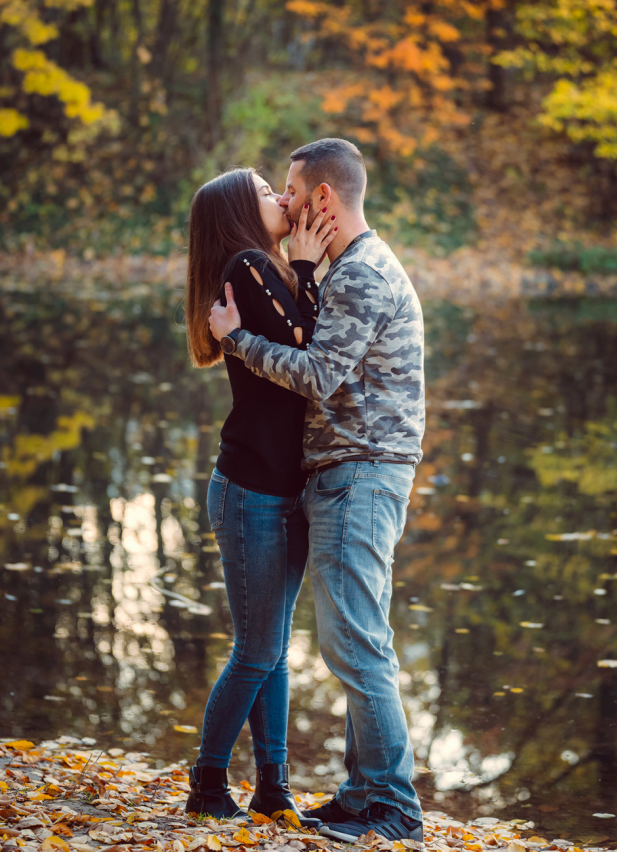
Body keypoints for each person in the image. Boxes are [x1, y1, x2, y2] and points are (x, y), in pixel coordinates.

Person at [208, 138, 426, 843]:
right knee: (360, 639)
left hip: (362, 472)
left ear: (322, 199)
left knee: (356, 644)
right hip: (350, 471)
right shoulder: (350, 268)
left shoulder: (361, 274)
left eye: (294, 192)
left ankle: (393, 807)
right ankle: (364, 794)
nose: (288, 204)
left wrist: (238, 341)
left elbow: (316, 375)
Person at [184, 167, 335, 822]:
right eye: (265, 189)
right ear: (239, 211)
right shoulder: (247, 263)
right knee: (258, 650)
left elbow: (308, 345)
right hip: (250, 488)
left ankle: (272, 786)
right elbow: (309, 347)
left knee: (272, 648)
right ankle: (207, 782)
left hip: (278, 489)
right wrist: (305, 270)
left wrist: (301, 269)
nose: (281, 196)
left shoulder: (260, 265)